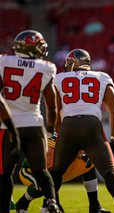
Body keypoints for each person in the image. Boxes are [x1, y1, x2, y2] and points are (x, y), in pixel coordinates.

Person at [50, 49, 114, 213]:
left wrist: (58, 133)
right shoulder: (101, 77)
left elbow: (56, 111)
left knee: (57, 171)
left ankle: (48, 204)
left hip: (68, 125)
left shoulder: (59, 78)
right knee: (108, 170)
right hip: (91, 125)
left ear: (73, 63)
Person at [0, 30, 59, 213]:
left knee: (5, 174)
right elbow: (52, 108)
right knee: (41, 170)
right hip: (34, 125)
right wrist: (50, 129)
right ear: (33, 48)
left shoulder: (3, 62)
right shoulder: (45, 67)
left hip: (8, 127)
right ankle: (51, 202)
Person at [15, 133, 110, 213]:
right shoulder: (58, 140)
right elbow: (48, 169)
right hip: (30, 170)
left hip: (53, 173)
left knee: (88, 165)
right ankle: (22, 203)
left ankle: (95, 207)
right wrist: (54, 202)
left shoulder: (86, 143)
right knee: (44, 184)